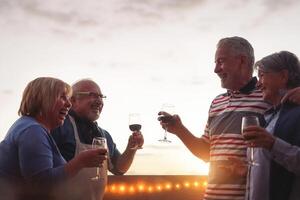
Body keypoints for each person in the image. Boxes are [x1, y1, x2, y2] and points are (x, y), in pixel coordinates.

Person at [158, 37, 300, 200]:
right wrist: (179, 130)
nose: (216, 69)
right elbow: (206, 153)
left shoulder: (268, 97)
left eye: (221, 61)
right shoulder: (217, 103)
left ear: (241, 61)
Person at [0, 77, 107, 200]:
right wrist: (80, 162)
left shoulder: (27, 125)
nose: (69, 104)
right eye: (63, 97)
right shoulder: (32, 130)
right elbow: (41, 185)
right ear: (43, 99)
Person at [51, 79, 144, 200]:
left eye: (101, 97)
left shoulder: (104, 134)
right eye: (92, 95)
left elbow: (119, 168)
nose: (99, 101)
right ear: (73, 100)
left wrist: (132, 148)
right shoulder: (58, 126)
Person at [243, 51, 300, 200]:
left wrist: (272, 143)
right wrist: (246, 170)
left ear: (283, 76)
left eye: (262, 75)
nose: (258, 83)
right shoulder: (269, 117)